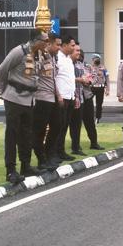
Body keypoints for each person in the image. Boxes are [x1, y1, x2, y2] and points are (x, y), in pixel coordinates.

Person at [0, 30, 47, 184]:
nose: (46, 43)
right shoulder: (18, 51)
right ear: (36, 41)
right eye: (44, 40)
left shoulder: (38, 54)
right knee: (12, 135)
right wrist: (2, 90)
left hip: (29, 100)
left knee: (26, 134)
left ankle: (26, 166)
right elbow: (1, 71)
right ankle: (10, 171)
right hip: (14, 98)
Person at [32, 32, 63, 171]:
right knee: (39, 130)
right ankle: (41, 159)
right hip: (41, 98)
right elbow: (33, 76)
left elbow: (53, 79)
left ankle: (49, 153)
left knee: (57, 125)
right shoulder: (39, 56)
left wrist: (59, 95)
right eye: (57, 45)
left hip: (52, 97)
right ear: (49, 43)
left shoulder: (52, 58)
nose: (59, 48)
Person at [69, 47, 101, 155]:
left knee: (90, 122)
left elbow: (94, 78)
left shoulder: (87, 66)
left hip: (87, 96)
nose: (80, 56)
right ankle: (75, 146)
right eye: (78, 54)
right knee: (75, 123)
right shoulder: (70, 65)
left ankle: (94, 142)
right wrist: (81, 80)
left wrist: (89, 81)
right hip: (75, 96)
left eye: (81, 55)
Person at [51, 34, 77, 164]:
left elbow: (70, 79)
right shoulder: (58, 59)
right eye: (72, 45)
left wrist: (74, 96)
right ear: (65, 45)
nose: (74, 48)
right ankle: (54, 152)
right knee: (58, 126)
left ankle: (61, 151)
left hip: (70, 96)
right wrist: (58, 95)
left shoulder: (68, 59)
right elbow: (54, 78)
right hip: (61, 98)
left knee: (65, 125)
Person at [90, 54, 109, 123]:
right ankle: (89, 116)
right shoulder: (90, 68)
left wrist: (107, 89)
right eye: (95, 58)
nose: (96, 60)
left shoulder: (103, 68)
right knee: (89, 103)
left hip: (100, 88)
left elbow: (107, 79)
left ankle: (98, 118)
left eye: (98, 58)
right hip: (92, 88)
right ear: (92, 60)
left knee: (99, 104)